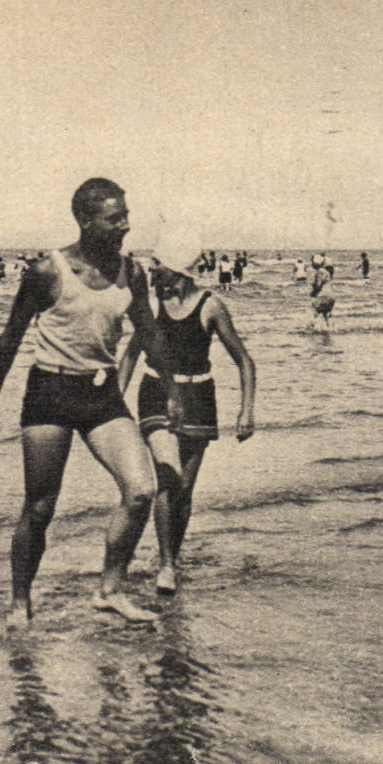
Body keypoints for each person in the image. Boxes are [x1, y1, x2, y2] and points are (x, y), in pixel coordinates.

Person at [0, 177, 183, 629]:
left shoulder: (132, 273)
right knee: (40, 508)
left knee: (141, 490)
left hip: (101, 394)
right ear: (84, 220)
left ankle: (110, 591)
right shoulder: (48, 271)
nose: (125, 226)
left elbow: (149, 333)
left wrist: (173, 389)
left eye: (126, 216)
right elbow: (9, 339)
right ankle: (20, 602)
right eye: (114, 218)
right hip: (50, 392)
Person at [118, 230, 256, 597]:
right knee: (169, 476)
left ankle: (171, 557)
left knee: (184, 490)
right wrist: (113, 403)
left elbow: (244, 361)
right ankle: (166, 565)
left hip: (199, 397)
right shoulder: (151, 306)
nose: (151, 271)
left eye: (158, 266)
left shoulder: (211, 306)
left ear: (177, 270)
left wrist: (246, 411)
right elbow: (130, 356)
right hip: (156, 393)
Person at [309, 257, 336, 330]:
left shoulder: (319, 272)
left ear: (315, 264)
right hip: (331, 295)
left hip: (323, 295)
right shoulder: (326, 272)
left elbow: (318, 285)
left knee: (315, 313)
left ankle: (313, 330)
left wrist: (312, 292)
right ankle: (330, 330)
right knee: (326, 315)